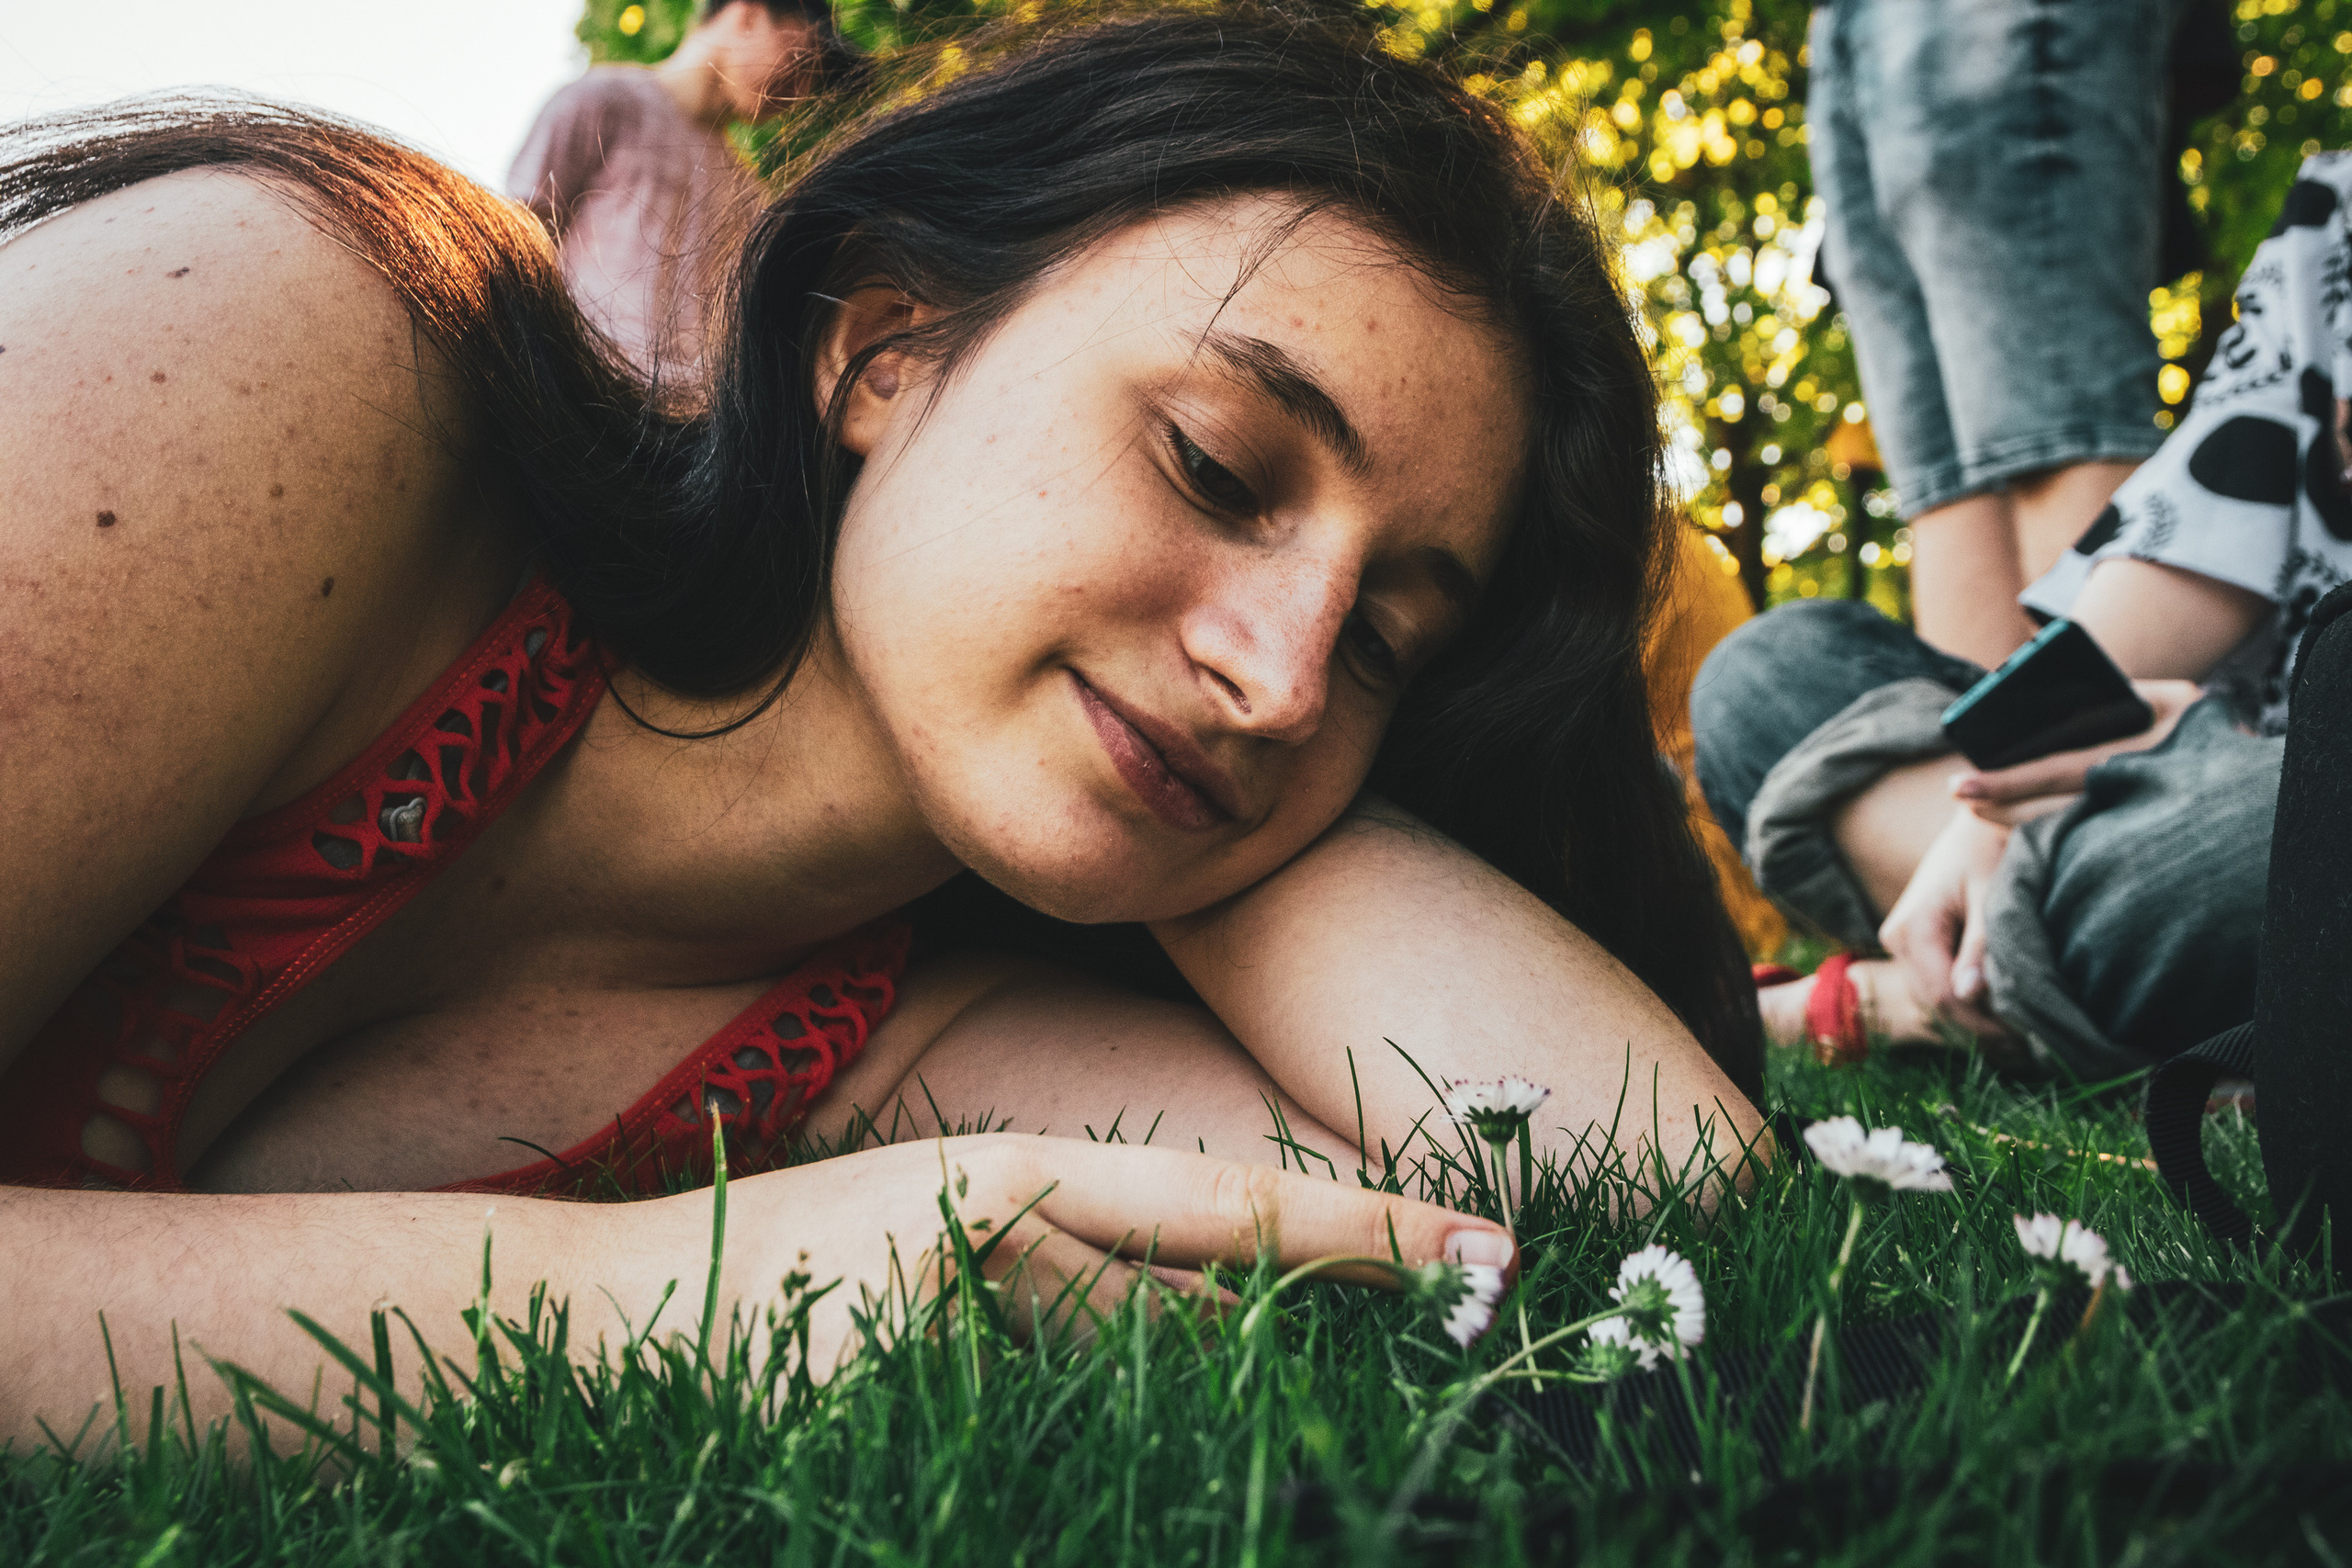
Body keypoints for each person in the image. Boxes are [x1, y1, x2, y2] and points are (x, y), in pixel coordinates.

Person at [0, 10, 1764, 1450]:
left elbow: (1654, 1191)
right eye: (1218, 468)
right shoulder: (295, 345)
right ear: (883, 347)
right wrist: (656, 1293)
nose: (1287, 673)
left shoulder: (900, 1030)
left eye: (1387, 636)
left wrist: (1253, 816)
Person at [1694, 152, 2352, 1077]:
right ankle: (2118, 990)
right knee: (1763, 674)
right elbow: (2208, 520)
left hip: (2287, 809)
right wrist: (1999, 799)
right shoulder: (2341, 207)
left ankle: (1921, 1001)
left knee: (2283, 839)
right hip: (2182, 782)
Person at [1805, 0, 2192, 670]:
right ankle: (2003, 763)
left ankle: (2132, 765)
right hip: (1845, 25)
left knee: (2059, 432)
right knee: (1942, 480)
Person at [507, 0, 834, 381]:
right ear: (746, 15)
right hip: (571, 403)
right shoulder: (602, 101)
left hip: (688, 434)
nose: (801, 90)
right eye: (798, 59)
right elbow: (511, 248)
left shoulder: (751, 200)